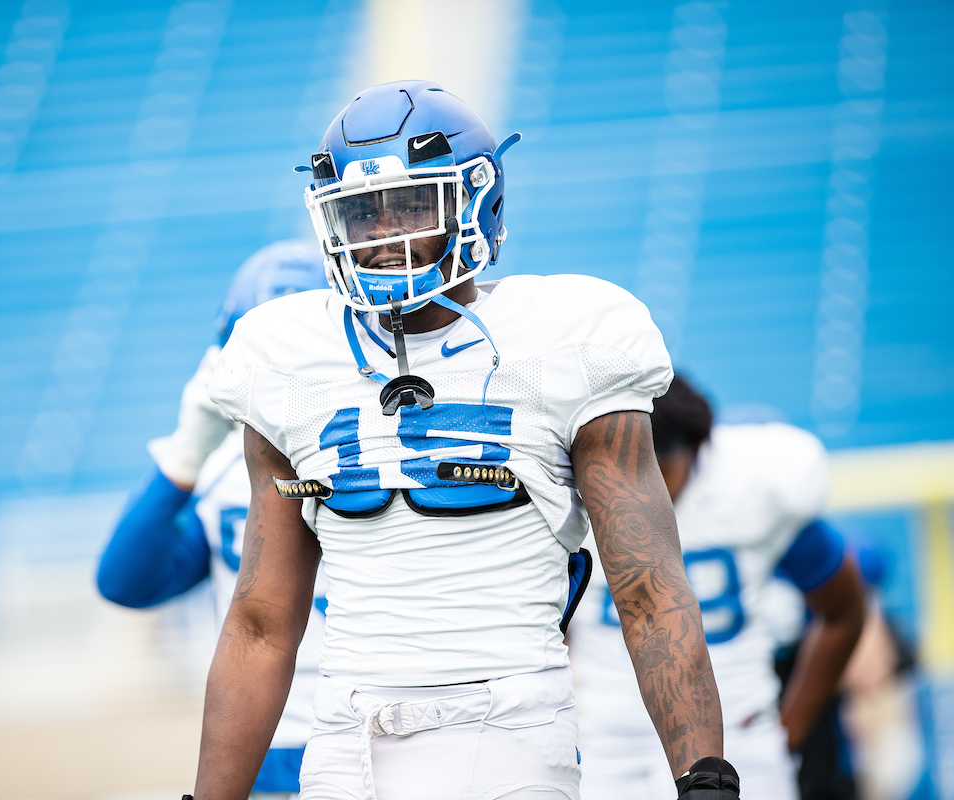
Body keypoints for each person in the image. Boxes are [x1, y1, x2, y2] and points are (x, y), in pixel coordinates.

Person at [195, 80, 739, 800]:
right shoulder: (283, 354)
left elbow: (649, 591)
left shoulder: (570, 336)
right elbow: (261, 623)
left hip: (509, 730)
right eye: (361, 212)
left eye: (410, 204)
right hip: (342, 741)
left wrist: (703, 775)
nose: (382, 235)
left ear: (478, 201)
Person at [95, 240, 330, 797]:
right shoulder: (226, 469)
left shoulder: (384, 449)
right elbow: (126, 582)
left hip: (382, 725)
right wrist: (186, 453)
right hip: (268, 743)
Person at [570, 376, 866, 800]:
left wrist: (789, 729)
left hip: (737, 737)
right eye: (623, 473)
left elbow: (843, 610)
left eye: (657, 469)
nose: (640, 488)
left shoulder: (756, 485)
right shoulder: (566, 490)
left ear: (695, 449)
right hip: (607, 745)